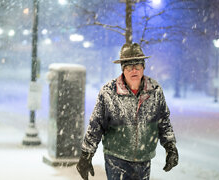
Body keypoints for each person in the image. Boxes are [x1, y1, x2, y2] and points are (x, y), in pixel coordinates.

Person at [76, 43, 179, 180]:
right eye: (129, 66)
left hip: (144, 158)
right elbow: (96, 125)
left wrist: (170, 147)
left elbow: (163, 121)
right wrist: (86, 154)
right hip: (116, 158)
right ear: (123, 69)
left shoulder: (155, 91)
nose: (133, 70)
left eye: (137, 65)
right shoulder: (108, 92)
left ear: (143, 67)